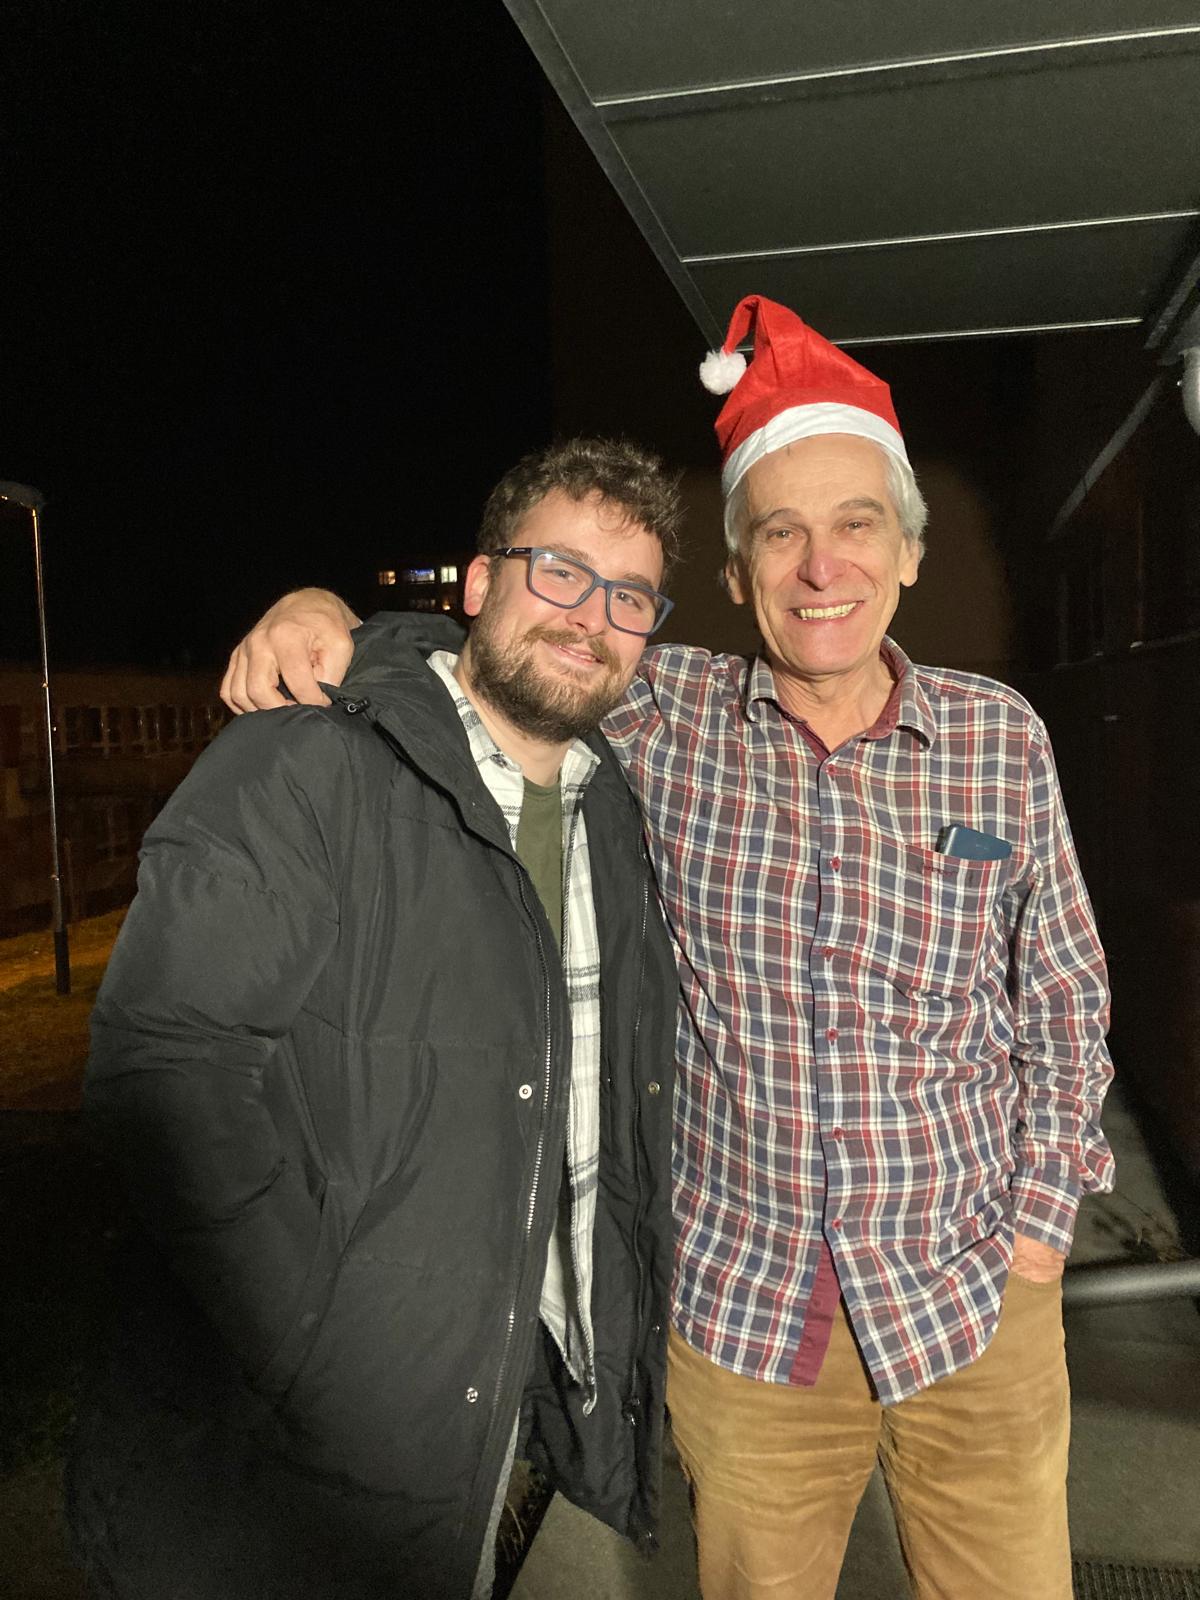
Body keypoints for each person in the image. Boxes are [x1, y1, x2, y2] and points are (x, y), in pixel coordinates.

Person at [222, 296, 1115, 1600]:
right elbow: (518, 648)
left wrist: (1040, 1228)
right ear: (739, 574)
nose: (822, 566)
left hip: (976, 1310)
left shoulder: (1000, 739)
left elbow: (1066, 992)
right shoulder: (669, 716)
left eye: (858, 524)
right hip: (751, 1331)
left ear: (910, 553)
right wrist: (330, 618)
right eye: (781, 532)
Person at [68, 437, 683, 1600]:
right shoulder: (307, 763)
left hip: (471, 1420)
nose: (589, 616)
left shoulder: (611, 812)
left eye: (629, 595)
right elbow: (167, 1067)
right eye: (559, 570)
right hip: (277, 1459)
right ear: (480, 581)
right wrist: (309, 1338)